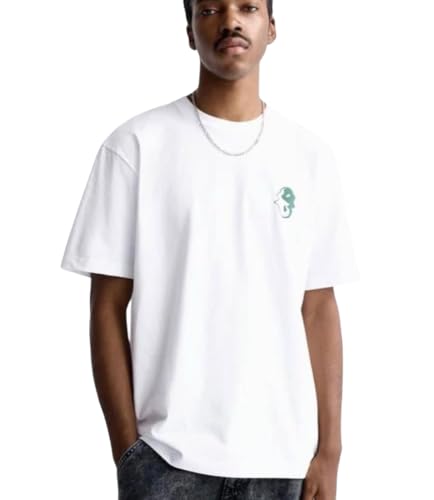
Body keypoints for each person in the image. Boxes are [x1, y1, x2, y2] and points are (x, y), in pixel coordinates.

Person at [60, 0, 360, 498]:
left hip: (283, 462)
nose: (230, 21)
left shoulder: (310, 158)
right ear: (189, 32)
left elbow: (319, 307)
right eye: (210, 10)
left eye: (248, 7)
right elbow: (106, 307)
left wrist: (330, 450)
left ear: (272, 27)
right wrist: (128, 452)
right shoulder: (135, 146)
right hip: (166, 460)